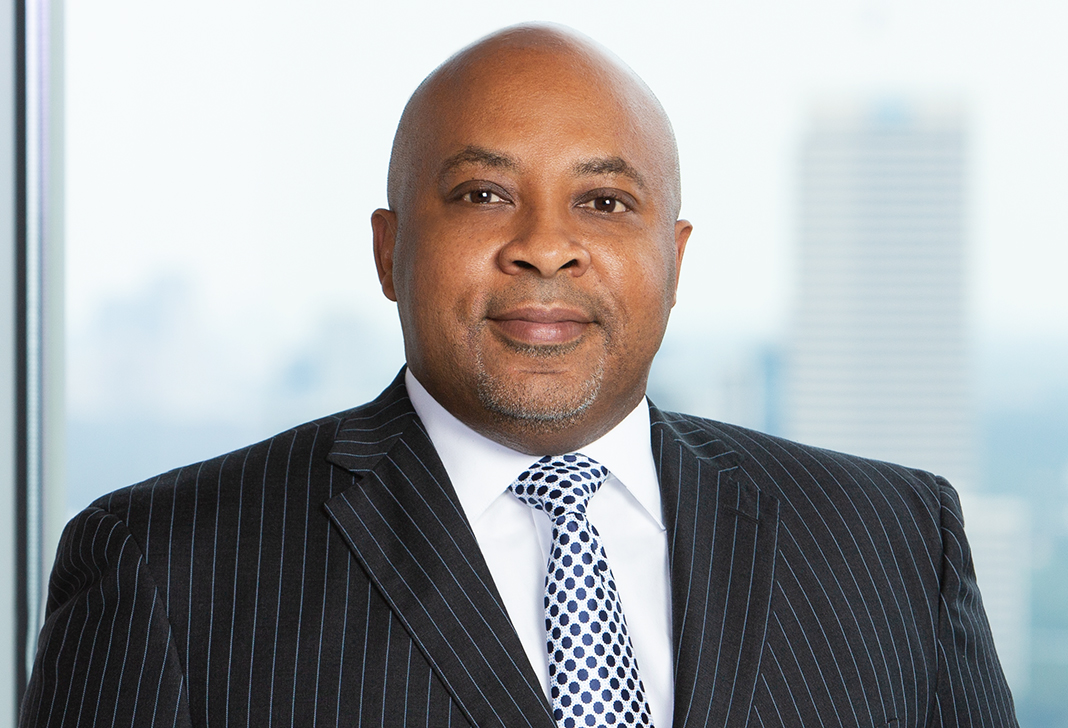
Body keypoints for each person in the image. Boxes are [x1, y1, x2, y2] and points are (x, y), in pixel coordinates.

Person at [21, 23, 1017, 728]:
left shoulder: (894, 542)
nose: (545, 244)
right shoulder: (165, 565)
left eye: (605, 202)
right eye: (483, 193)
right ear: (390, 250)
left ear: (675, 258)